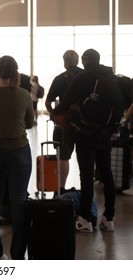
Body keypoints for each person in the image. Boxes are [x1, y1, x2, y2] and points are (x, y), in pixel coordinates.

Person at [53, 48, 123, 233]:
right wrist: (111, 128)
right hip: (104, 134)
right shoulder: (111, 78)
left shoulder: (84, 78)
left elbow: (66, 101)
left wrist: (55, 113)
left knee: (86, 177)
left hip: (85, 132)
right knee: (107, 175)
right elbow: (119, 105)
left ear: (84, 61)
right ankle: (109, 218)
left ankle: (86, 219)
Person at [0, 55, 34, 260]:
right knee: (19, 202)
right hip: (19, 151)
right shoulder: (23, 94)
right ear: (15, 72)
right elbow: (29, 122)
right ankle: (18, 254)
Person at [45, 50, 83, 190]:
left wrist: (54, 115)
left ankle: (60, 188)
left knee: (63, 156)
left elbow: (48, 102)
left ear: (65, 61)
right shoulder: (87, 77)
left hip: (65, 123)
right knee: (85, 156)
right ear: (78, 61)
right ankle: (86, 187)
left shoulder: (60, 78)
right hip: (84, 123)